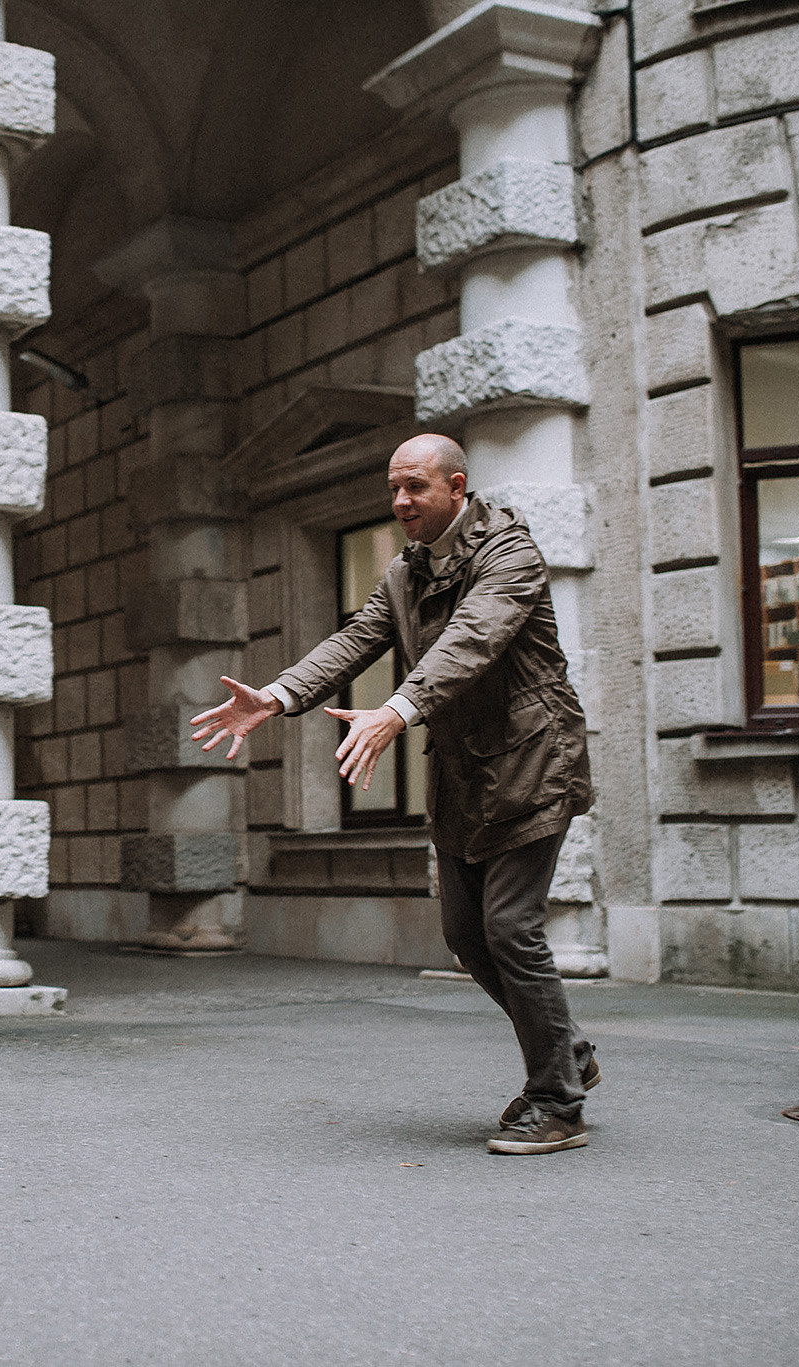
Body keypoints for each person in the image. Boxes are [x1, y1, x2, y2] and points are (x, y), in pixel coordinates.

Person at [190, 433, 598, 1155]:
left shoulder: (510, 553)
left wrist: (395, 711)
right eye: (394, 489)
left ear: (456, 486)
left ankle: (557, 1102)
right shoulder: (407, 570)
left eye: (416, 486)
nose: (401, 501)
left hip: (534, 763)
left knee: (510, 926)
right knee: (466, 934)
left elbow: (470, 642)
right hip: (465, 772)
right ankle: (564, 1049)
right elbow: (354, 641)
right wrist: (277, 696)